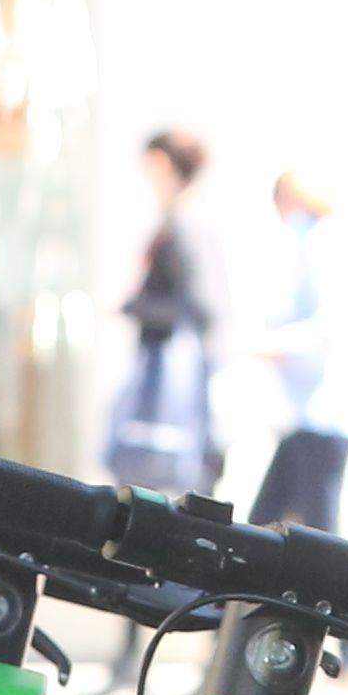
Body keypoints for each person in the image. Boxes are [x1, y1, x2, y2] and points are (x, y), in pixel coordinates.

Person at [103, 125, 224, 495]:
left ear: (161, 164)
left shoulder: (187, 223)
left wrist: (135, 306)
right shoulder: (180, 219)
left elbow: (202, 305)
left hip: (173, 383)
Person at [243, 164, 348, 531]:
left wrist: (276, 346)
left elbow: (327, 322)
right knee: (265, 524)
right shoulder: (310, 244)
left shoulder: (323, 244)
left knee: (316, 529)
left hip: (322, 414)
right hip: (304, 416)